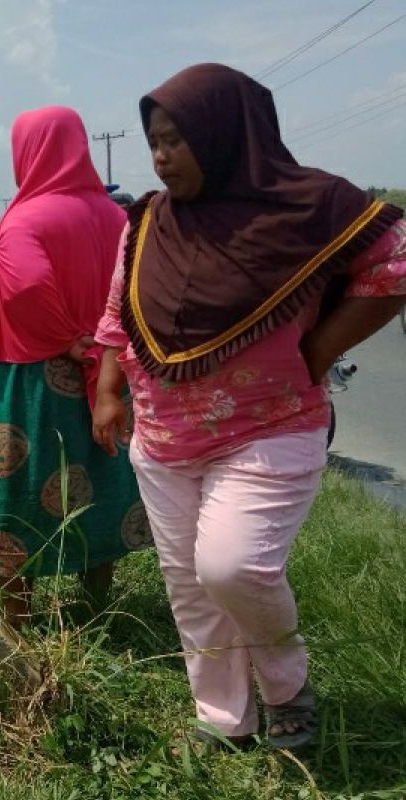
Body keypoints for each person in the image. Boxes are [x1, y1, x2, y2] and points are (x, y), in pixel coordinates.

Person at [92, 63, 406, 751]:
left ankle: (287, 687)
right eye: (154, 141)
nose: (162, 155)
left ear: (228, 134)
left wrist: (320, 349)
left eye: (178, 138)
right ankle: (225, 718)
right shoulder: (146, 221)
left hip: (271, 426)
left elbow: (392, 271)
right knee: (189, 585)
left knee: (233, 567)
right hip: (164, 437)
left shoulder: (311, 207)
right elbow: (119, 311)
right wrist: (110, 388)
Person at [0, 106, 147, 628]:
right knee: (98, 482)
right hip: (107, 377)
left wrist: (66, 339)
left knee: (18, 494)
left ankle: (16, 619)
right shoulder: (116, 216)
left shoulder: (24, 218)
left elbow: (26, 286)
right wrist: (95, 346)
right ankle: (95, 605)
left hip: (31, 379)